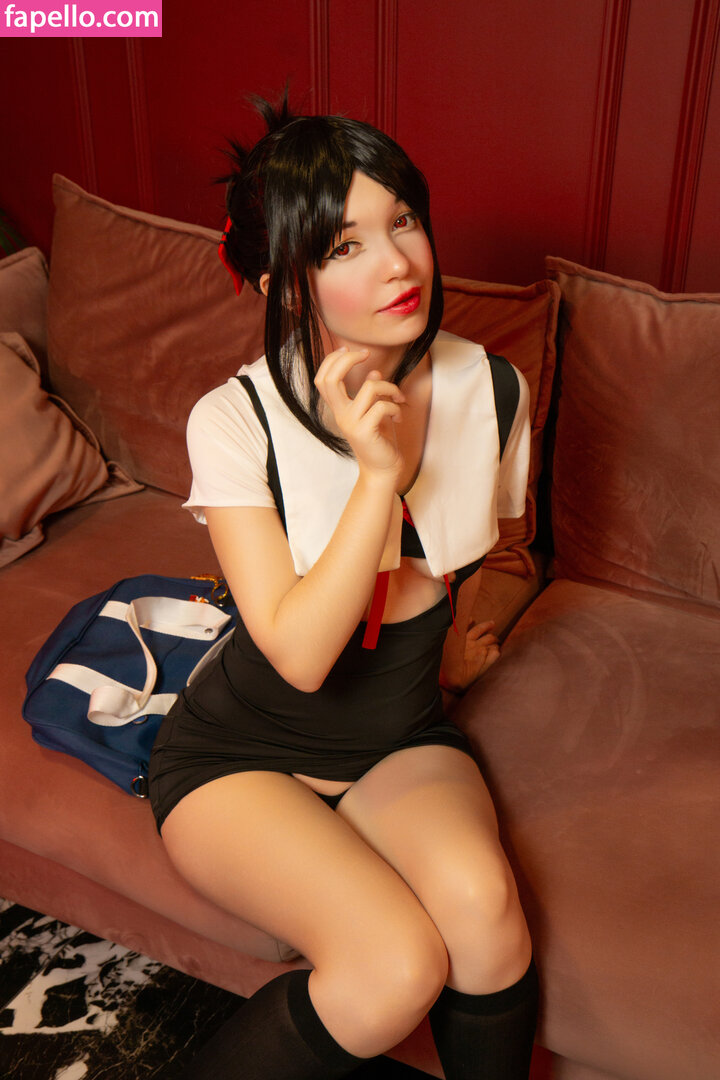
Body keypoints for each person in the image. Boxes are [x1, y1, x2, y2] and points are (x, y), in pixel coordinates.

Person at [148, 93, 539, 1079]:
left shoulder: (493, 391)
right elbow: (302, 657)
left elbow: (483, 555)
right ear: (287, 284)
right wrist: (376, 477)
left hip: (396, 735)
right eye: (346, 247)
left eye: (403, 221)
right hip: (239, 756)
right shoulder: (234, 420)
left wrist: (461, 649)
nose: (399, 263)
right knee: (394, 965)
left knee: (488, 916)